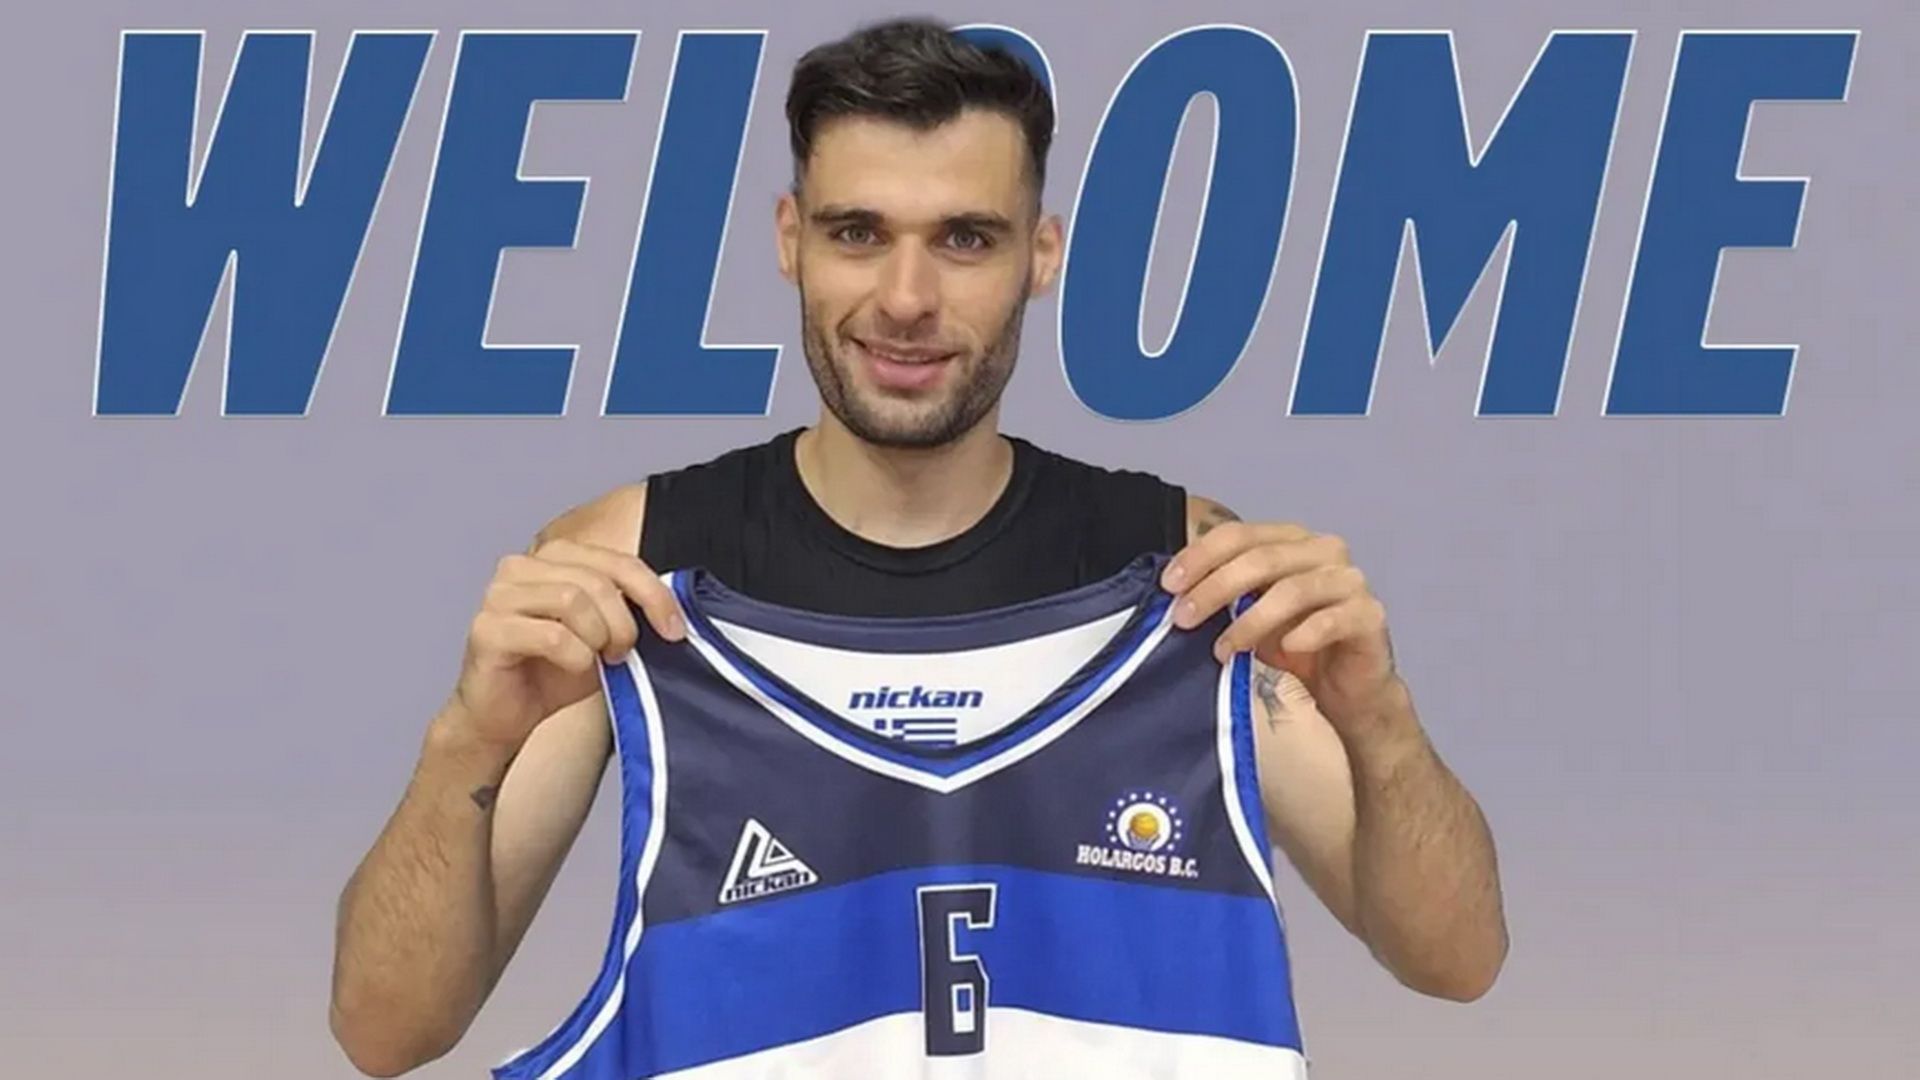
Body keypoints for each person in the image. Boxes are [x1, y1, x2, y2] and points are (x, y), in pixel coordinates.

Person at [328, 17, 1508, 1077]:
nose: (904, 298)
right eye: (858, 232)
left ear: (1040, 256)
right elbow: (386, 1031)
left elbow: (1457, 961)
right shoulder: (631, 574)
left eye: (964, 239)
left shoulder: (1191, 577)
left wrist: (1382, 721)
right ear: (790, 239)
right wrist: (464, 743)